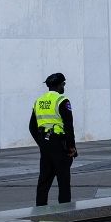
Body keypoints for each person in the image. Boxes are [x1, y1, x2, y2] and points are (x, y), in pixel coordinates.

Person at [31, 72, 77, 206]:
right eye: (63, 84)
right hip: (59, 144)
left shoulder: (38, 101)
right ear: (59, 85)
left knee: (44, 181)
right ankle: (65, 211)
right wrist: (71, 147)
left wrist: (41, 142)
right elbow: (68, 126)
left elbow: (31, 127)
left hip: (45, 144)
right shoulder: (62, 100)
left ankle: (39, 210)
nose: (64, 87)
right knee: (63, 181)